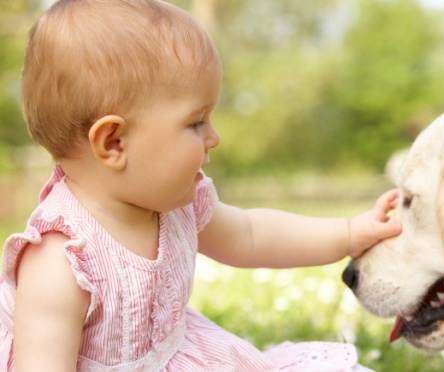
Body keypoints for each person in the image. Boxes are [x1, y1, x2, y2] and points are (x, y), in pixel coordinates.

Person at [0, 1, 402, 371]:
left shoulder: (177, 203)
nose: (214, 137)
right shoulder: (61, 259)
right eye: (196, 122)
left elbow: (251, 235)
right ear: (114, 143)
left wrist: (348, 233)